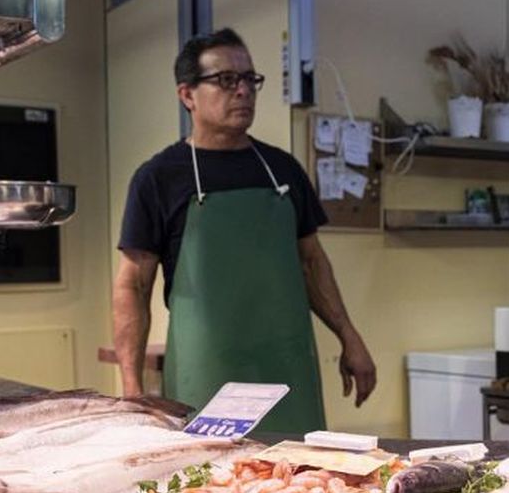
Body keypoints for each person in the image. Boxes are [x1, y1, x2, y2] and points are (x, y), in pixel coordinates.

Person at [113, 27, 376, 432]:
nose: (243, 91)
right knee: (210, 485)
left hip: (287, 371)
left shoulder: (283, 170)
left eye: (250, 79)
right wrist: (131, 387)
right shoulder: (158, 178)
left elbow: (311, 264)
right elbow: (133, 285)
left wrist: (349, 337)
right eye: (226, 80)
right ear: (187, 95)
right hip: (204, 375)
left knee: (299, 483)